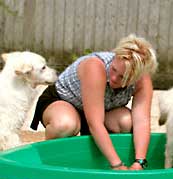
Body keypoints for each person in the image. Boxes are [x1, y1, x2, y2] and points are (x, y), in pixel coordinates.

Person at [30, 34, 158, 170]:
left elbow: (142, 122)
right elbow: (95, 124)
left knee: (126, 121)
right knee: (65, 124)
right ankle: (43, 163)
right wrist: (117, 164)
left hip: (101, 110)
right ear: (115, 57)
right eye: (114, 69)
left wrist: (140, 161)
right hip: (64, 101)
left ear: (136, 77)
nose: (113, 78)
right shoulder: (95, 67)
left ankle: (99, 161)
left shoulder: (143, 80)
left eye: (122, 77)